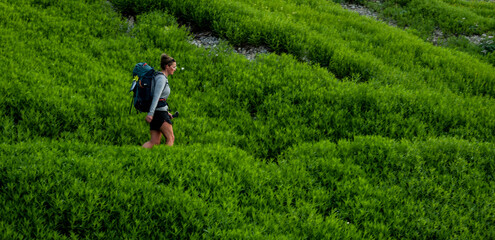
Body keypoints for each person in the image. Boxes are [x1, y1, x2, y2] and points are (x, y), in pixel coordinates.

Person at [142, 54, 177, 148]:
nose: (175, 69)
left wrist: (166, 112)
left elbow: (159, 99)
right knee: (171, 138)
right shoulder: (161, 78)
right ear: (167, 66)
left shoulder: (158, 77)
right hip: (158, 112)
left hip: (159, 111)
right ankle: (167, 160)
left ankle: (137, 155)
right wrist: (150, 113)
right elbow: (156, 97)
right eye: (173, 67)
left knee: (154, 141)